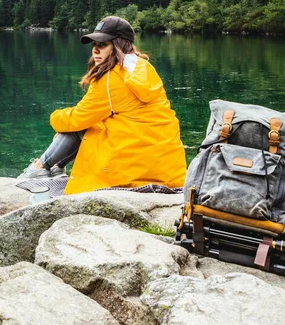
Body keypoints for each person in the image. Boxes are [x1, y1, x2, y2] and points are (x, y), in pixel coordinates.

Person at [17, 16, 187, 195]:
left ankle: (40, 168)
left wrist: (54, 117)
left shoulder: (110, 79)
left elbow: (77, 118)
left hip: (132, 170)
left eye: (103, 44)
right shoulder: (143, 67)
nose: (95, 50)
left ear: (119, 45)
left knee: (78, 125)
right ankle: (55, 167)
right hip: (168, 169)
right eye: (94, 45)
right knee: (93, 123)